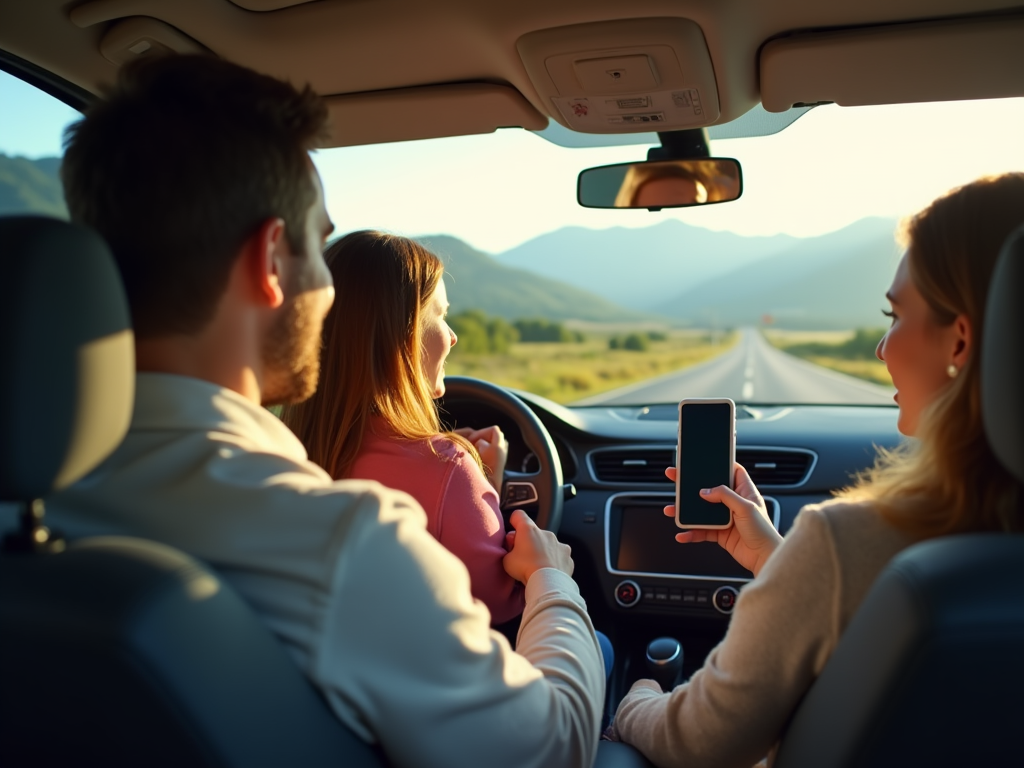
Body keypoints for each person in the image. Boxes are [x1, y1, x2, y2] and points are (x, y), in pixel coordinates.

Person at [43, 54, 605, 768]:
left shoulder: (36, 509)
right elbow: (555, 749)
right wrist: (553, 580)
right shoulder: (344, 547)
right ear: (271, 262)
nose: (329, 292)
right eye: (318, 247)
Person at [607, 172, 1024, 767]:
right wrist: (777, 561)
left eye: (894, 315)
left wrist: (633, 699)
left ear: (960, 342)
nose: (883, 348)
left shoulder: (845, 543)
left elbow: (698, 741)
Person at [280, 231, 525, 625]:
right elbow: (497, 609)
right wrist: (484, 486)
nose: (453, 335)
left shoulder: (283, 453)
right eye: (441, 316)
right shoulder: (449, 467)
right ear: (403, 335)